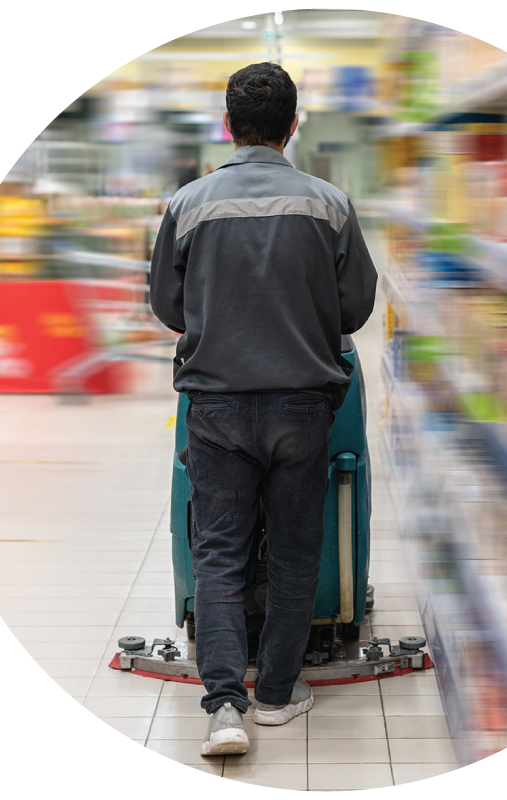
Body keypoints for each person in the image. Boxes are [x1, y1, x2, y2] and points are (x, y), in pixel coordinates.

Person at [149, 62, 378, 757]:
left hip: (215, 406)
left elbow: (167, 306)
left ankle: (224, 707)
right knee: (295, 544)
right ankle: (278, 691)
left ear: (227, 125)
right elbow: (355, 309)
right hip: (300, 404)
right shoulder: (329, 204)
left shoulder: (186, 204)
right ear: (293, 124)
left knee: (217, 553)